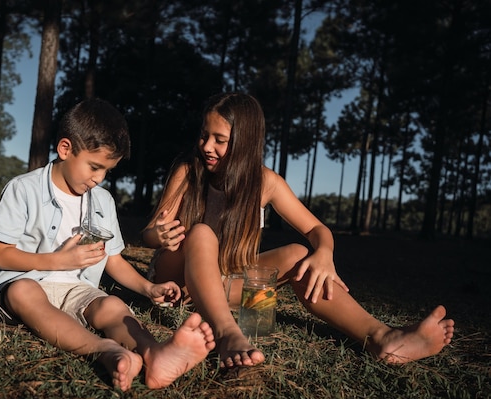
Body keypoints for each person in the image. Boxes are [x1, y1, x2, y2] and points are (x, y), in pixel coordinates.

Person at [142, 92, 454, 368]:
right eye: (204, 135)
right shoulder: (188, 169)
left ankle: (381, 337)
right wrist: (159, 236)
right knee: (201, 234)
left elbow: (317, 228)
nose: (207, 146)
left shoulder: (266, 182)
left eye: (220, 140)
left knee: (298, 254)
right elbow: (148, 233)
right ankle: (227, 334)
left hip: (221, 284)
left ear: (245, 142)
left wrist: (325, 253)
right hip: (173, 282)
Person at [0, 98, 215, 391]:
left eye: (107, 171)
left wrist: (148, 287)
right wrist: (57, 261)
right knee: (22, 292)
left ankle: (155, 354)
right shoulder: (23, 189)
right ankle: (105, 351)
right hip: (28, 283)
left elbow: (113, 260)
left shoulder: (103, 201)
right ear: (65, 149)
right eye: (94, 167)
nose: (99, 179)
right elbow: (0, 255)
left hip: (78, 289)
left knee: (111, 305)